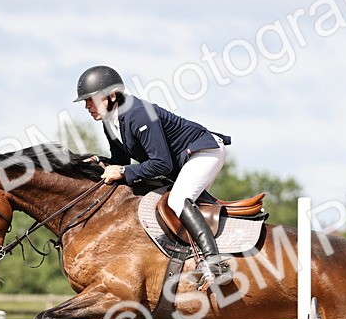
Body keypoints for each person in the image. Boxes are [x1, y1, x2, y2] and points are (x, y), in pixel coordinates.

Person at [76, 65, 233, 287]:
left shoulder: (137, 113)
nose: (87, 106)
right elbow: (121, 161)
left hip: (204, 152)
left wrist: (122, 171)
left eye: (91, 100)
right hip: (182, 162)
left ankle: (215, 265)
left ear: (111, 96)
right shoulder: (110, 121)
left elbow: (161, 164)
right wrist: (98, 162)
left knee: (178, 200)